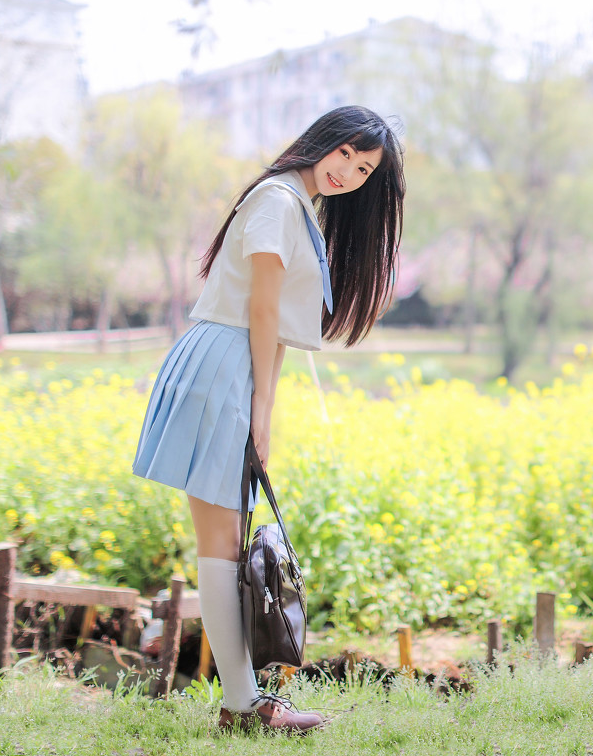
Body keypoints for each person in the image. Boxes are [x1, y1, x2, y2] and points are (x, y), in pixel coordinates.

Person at [132, 105, 404, 734]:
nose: (351, 174)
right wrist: (259, 408)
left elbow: (277, 326)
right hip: (222, 362)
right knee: (221, 543)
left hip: (233, 366)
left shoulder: (295, 207)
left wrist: (266, 408)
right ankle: (244, 705)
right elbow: (260, 309)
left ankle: (244, 703)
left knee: (225, 541)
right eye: (347, 156)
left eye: (365, 170)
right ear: (323, 142)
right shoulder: (279, 202)